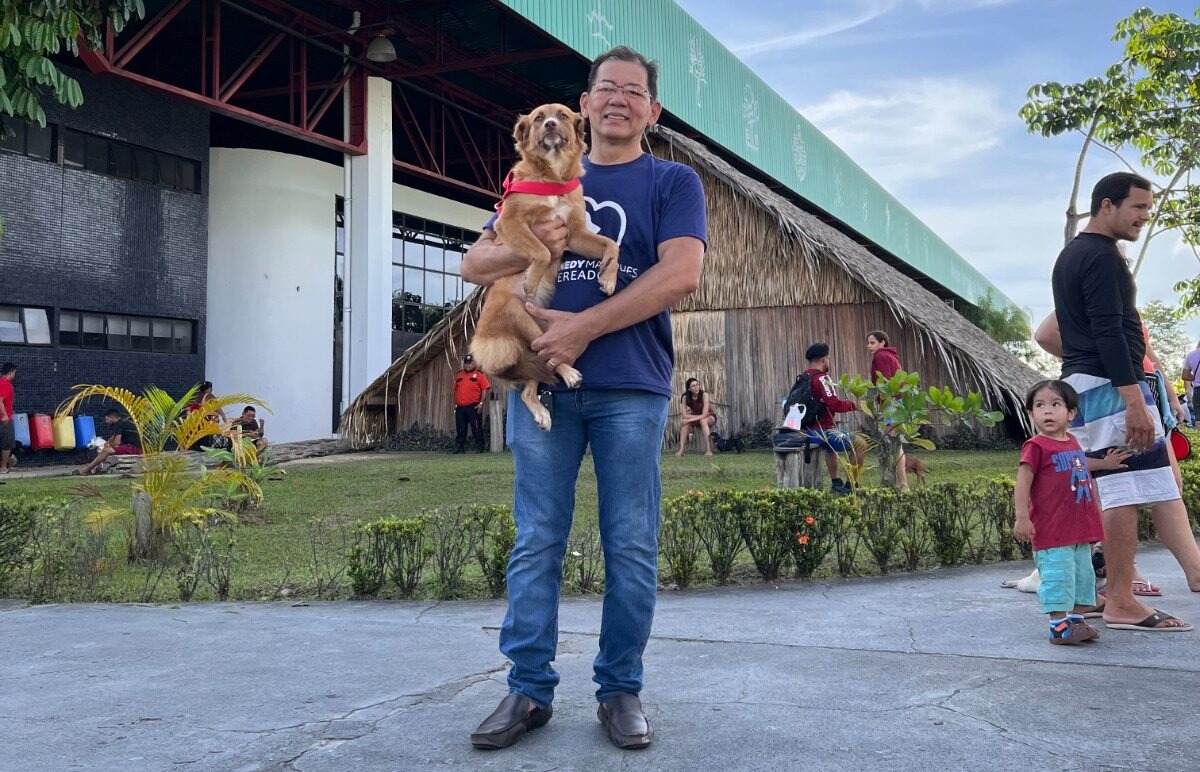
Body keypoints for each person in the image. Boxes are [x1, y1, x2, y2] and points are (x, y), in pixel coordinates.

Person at [462, 45, 706, 751]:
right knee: (536, 540)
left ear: (651, 111)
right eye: (608, 89)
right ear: (585, 104)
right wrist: (532, 245)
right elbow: (474, 261)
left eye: (635, 91)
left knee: (630, 544)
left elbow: (681, 275)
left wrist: (582, 330)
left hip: (630, 386)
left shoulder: (673, 181)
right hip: (542, 385)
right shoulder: (540, 175)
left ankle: (620, 689)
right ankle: (527, 691)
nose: (620, 100)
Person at [1051, 171, 1195, 631]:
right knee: (1123, 492)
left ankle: (1122, 593)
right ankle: (1120, 599)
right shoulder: (1100, 256)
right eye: (1137, 208)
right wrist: (1133, 399)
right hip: (1112, 389)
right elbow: (1109, 330)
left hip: (1093, 383)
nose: (1143, 218)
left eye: (1147, 211)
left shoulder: (1073, 254)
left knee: (1145, 484)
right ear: (1107, 206)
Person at [1014, 380, 1113, 643]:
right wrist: (1022, 517)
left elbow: (1080, 462)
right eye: (1040, 405)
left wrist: (1105, 463)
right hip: (1052, 530)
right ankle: (1058, 627)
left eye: (1055, 404)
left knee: (1082, 577)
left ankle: (1076, 622)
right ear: (1030, 414)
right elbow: (1023, 482)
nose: (1047, 411)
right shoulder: (1035, 446)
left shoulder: (1071, 441)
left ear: (1071, 413)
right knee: (1058, 577)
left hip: (1079, 529)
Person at [800, 343, 862, 495]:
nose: (829, 361)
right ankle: (850, 486)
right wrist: (855, 405)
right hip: (820, 433)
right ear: (823, 359)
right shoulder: (823, 378)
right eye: (828, 358)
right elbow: (833, 404)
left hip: (806, 431)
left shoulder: (803, 377)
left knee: (831, 444)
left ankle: (835, 483)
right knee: (860, 444)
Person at [866, 330, 909, 491]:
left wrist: (882, 405)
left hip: (891, 403)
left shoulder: (881, 356)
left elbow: (885, 383)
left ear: (882, 342)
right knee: (896, 444)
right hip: (899, 402)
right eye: (868, 343)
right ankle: (901, 484)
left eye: (872, 342)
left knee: (894, 446)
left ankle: (903, 485)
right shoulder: (891, 356)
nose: (869, 346)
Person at [76, 409, 142, 476]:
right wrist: (103, 445)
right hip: (130, 446)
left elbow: (117, 443)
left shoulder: (119, 424)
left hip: (133, 448)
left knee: (106, 450)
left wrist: (106, 447)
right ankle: (97, 468)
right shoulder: (122, 423)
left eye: (107, 419)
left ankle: (86, 470)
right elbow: (112, 438)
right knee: (102, 449)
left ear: (112, 417)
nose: (106, 422)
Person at [452, 354, 491, 454]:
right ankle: (460, 447)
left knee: (476, 428)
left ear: (474, 364)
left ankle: (480, 447)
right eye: (466, 363)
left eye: (470, 363)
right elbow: (455, 390)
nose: (468, 365)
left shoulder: (480, 375)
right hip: (460, 407)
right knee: (460, 428)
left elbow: (485, 389)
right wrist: (455, 404)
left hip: (473, 406)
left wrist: (481, 403)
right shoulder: (459, 375)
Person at [675, 377, 714, 456]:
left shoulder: (704, 395)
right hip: (697, 416)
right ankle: (681, 450)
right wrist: (688, 420)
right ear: (689, 389)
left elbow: (705, 414)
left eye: (697, 385)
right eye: (693, 386)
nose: (696, 387)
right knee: (685, 423)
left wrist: (688, 419)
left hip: (709, 416)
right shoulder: (685, 397)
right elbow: (684, 415)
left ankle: (709, 450)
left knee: (702, 421)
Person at [0, 362, 15, 474]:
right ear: (11, 372)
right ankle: (3, 467)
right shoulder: (6, 384)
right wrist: (5, 415)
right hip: (4, 419)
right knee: (7, 444)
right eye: (14, 372)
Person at [1182, 340, 1200, 413]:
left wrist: (1197, 378)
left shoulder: (1191, 355)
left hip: (1198, 390)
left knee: (1198, 420)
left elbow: (1185, 376)